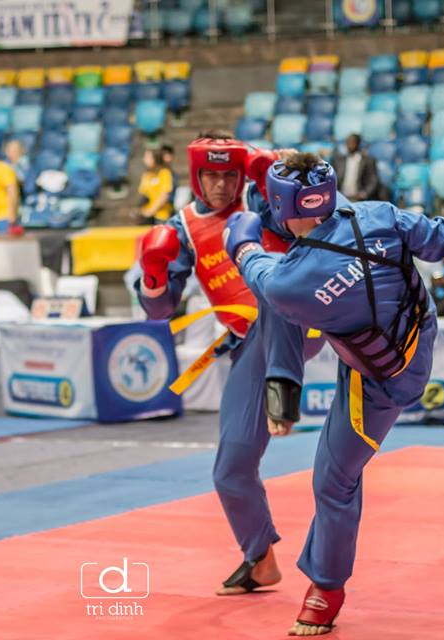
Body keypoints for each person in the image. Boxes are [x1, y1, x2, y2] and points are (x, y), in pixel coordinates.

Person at [223, 151, 444, 636]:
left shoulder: (289, 282)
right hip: (415, 327)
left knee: (334, 479)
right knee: (297, 301)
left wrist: (242, 240)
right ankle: (282, 388)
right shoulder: (376, 215)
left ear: (283, 206)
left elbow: (260, 273)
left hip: (381, 379)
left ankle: (326, 588)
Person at [136, 131, 323, 597]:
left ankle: (284, 394)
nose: (221, 185)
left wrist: (274, 172)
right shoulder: (181, 229)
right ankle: (260, 559)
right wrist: (153, 275)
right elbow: (159, 312)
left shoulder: (261, 202)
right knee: (231, 468)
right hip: (249, 343)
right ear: (195, 176)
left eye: (229, 175)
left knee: (277, 307)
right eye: (211, 176)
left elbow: (313, 216)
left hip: (300, 315)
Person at [332, 134, 379, 202]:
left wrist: (364, 194)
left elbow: (373, 181)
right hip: (341, 197)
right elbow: (333, 179)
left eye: (352, 142)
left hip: (359, 198)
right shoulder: (338, 160)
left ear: (358, 144)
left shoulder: (368, 161)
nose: (350, 145)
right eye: (348, 142)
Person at [136, 148, 174, 224]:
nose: (145, 160)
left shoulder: (164, 173)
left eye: (148, 157)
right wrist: (141, 211)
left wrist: (151, 211)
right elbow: (143, 194)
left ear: (155, 158)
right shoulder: (146, 175)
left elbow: (164, 195)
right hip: (146, 217)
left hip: (161, 216)